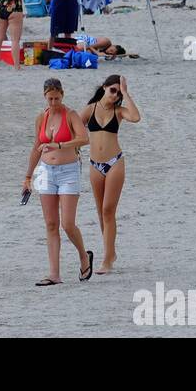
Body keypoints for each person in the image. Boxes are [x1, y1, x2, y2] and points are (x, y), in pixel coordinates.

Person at [24, 78, 93, 286]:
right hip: (46, 171)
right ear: (44, 96)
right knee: (51, 223)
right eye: (50, 98)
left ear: (62, 95)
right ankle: (54, 274)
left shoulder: (70, 115)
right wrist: (28, 176)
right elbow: (37, 146)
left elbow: (84, 139)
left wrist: (59, 144)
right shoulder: (41, 117)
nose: (53, 102)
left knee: (67, 223)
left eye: (57, 98)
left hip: (68, 170)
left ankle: (83, 256)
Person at [80, 74, 140, 274]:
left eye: (118, 92)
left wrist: (126, 93)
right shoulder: (91, 109)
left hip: (115, 163)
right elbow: (75, 128)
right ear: (104, 87)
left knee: (108, 210)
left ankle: (107, 260)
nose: (115, 95)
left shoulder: (119, 111)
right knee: (101, 212)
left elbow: (136, 117)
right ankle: (111, 252)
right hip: (95, 164)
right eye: (112, 90)